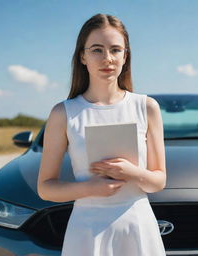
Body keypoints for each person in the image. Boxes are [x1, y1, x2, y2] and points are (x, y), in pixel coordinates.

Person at [37, 13, 167, 256]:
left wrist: (132, 173)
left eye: (115, 50)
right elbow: (46, 188)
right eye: (97, 50)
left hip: (138, 226)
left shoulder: (147, 107)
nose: (107, 58)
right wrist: (89, 188)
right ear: (83, 56)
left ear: (125, 56)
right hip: (87, 230)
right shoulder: (63, 113)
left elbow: (159, 181)